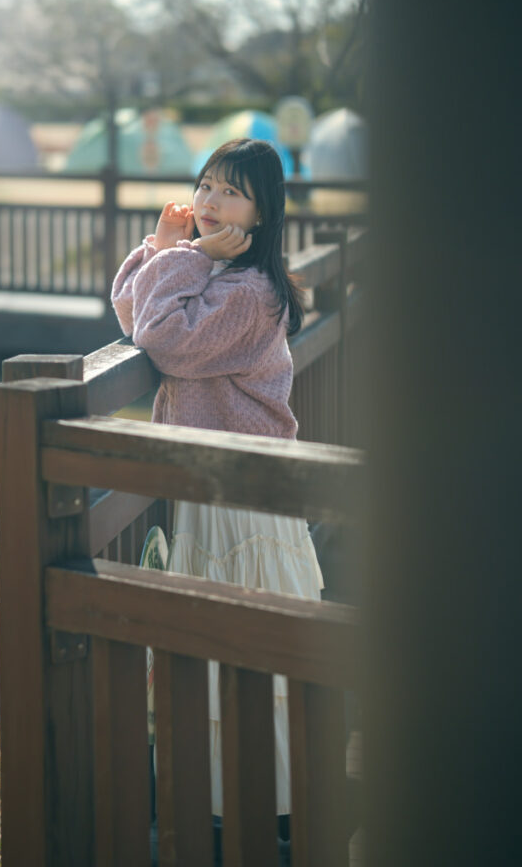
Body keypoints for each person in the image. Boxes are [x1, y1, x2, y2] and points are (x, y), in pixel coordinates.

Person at [111, 137, 324, 830]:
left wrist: (185, 258)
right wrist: (161, 245)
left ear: (260, 213)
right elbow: (132, 313)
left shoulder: (251, 291)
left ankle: (269, 811)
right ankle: (231, 803)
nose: (208, 201)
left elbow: (162, 340)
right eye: (204, 185)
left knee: (243, 650)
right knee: (219, 650)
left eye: (229, 192)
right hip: (217, 484)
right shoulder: (216, 272)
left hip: (242, 494)